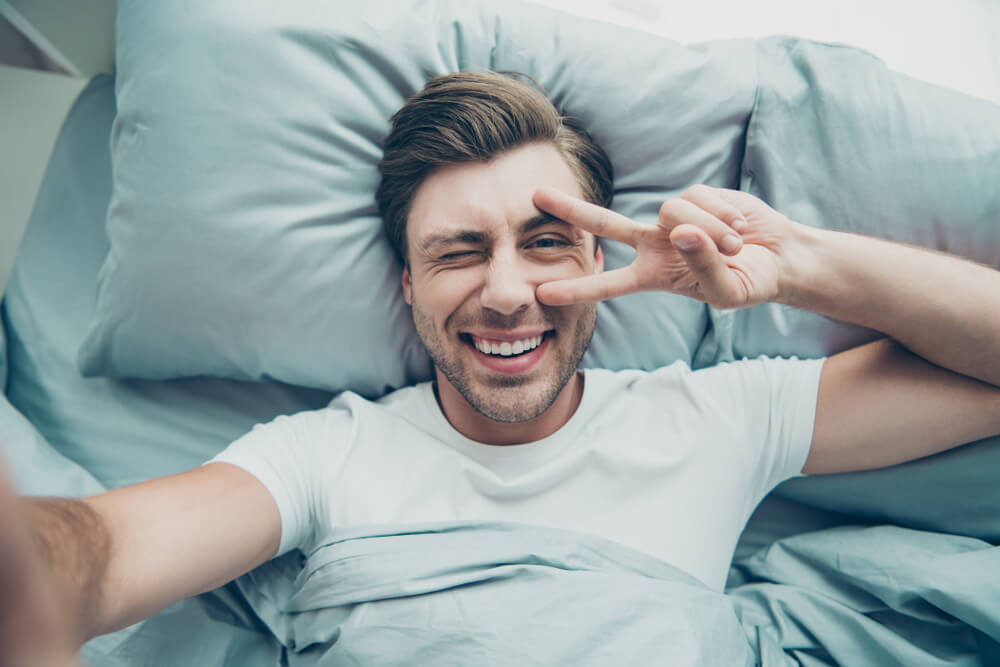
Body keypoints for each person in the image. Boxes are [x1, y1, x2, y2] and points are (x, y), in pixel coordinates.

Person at [2, 70, 999, 665]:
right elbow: (100, 550)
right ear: (407, 286)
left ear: (601, 260)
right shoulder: (326, 453)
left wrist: (798, 268)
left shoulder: (713, 417)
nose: (509, 291)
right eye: (459, 250)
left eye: (546, 242)